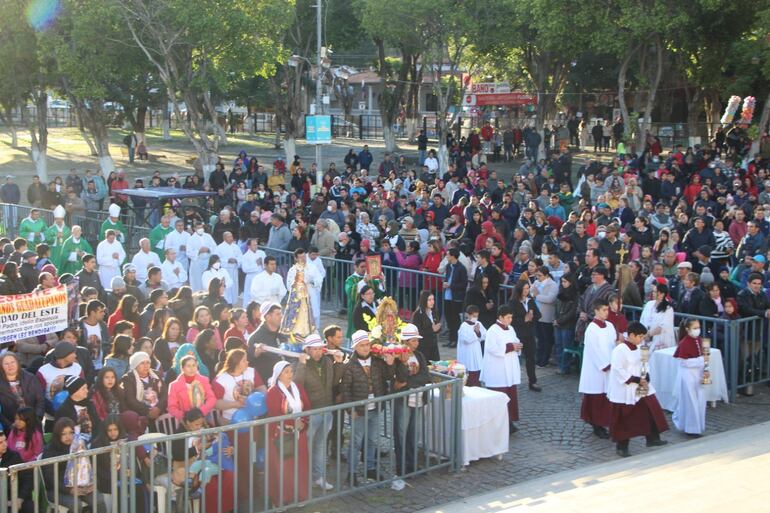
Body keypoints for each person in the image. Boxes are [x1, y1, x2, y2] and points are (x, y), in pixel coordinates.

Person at [340, 330, 396, 484]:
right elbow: (345, 389)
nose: (365, 348)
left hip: (376, 406)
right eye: (362, 345)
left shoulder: (377, 361)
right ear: (355, 347)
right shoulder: (350, 365)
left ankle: (370, 468)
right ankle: (351, 473)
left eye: (367, 345)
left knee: (372, 440)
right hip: (359, 409)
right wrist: (350, 409)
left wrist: (390, 364)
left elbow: (388, 377)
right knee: (356, 441)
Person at [607, 321, 669, 457]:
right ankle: (622, 446)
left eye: (643, 337)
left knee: (651, 409)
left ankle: (652, 438)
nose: (642, 339)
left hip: (641, 385)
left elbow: (645, 364)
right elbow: (618, 369)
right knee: (624, 418)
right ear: (631, 335)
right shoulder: (620, 350)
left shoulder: (641, 347)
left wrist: (646, 377)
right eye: (640, 336)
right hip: (625, 389)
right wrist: (635, 379)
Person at [294, 333, 344, 489]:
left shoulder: (328, 362)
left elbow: (334, 382)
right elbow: (297, 385)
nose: (317, 352)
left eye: (319, 349)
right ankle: (304, 479)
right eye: (314, 349)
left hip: (327, 410)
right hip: (311, 413)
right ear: (307, 350)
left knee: (321, 446)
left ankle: (319, 477)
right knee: (307, 447)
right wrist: (301, 365)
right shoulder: (300, 363)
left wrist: (339, 364)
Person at [265, 361, 311, 506]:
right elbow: (274, 415)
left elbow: (307, 406)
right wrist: (290, 425)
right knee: (282, 468)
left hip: (299, 435)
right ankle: (280, 500)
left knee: (300, 466)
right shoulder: (273, 392)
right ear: (278, 375)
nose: (290, 374)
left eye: (291, 371)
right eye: (286, 372)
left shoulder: (298, 387)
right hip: (282, 437)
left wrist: (303, 422)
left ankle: (300, 496)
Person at [392, 323, 431, 483]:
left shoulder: (419, 355)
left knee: (414, 434)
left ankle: (412, 464)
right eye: (414, 340)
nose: (417, 343)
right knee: (401, 434)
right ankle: (402, 467)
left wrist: (407, 383)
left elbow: (425, 376)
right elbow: (399, 378)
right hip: (404, 401)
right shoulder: (398, 358)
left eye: (417, 340)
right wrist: (403, 364)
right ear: (406, 342)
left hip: (418, 398)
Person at [481, 305, 523, 433]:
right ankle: (496, 424)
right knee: (499, 397)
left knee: (510, 395)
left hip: (509, 368)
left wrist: (518, 346)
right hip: (497, 370)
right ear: (500, 317)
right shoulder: (492, 330)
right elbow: (491, 348)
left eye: (511, 317)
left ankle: (509, 421)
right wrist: (510, 347)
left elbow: (515, 341)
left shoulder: (511, 328)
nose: (510, 320)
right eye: (508, 317)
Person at [578, 299, 615, 439]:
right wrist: (605, 365)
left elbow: (613, 345)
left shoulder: (610, 326)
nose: (607, 312)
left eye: (607, 310)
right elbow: (594, 350)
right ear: (596, 311)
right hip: (596, 369)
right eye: (604, 310)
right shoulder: (592, 329)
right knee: (596, 398)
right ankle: (596, 425)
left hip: (609, 366)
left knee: (606, 397)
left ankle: (606, 422)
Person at [673, 318, 707, 436]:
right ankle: (691, 428)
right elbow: (684, 362)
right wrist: (701, 360)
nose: (697, 330)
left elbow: (704, 356)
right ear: (687, 329)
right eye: (695, 328)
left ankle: (698, 426)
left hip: (698, 373)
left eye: (698, 327)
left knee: (700, 401)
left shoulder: (699, 340)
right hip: (688, 375)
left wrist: (705, 369)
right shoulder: (684, 343)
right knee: (690, 402)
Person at [212, 348, 266, 422]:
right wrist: (236, 404)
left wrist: (255, 400)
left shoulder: (252, 371)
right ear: (236, 363)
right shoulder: (220, 380)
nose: (247, 362)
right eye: (244, 360)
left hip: (253, 417)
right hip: (230, 419)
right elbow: (216, 403)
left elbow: (262, 389)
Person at [508, 280, 541, 391]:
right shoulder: (513, 302)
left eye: (528, 288)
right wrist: (524, 319)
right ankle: (512, 381)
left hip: (530, 333)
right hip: (518, 335)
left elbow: (539, 314)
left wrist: (531, 317)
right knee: (515, 359)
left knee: (531, 358)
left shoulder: (530, 301)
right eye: (525, 288)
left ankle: (533, 382)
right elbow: (511, 320)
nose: (527, 290)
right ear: (519, 289)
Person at [0, 353, 44, 432]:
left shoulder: (30, 378)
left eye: (12, 362)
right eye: (6, 364)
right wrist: (10, 426)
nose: (10, 366)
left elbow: (40, 400)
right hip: (11, 428)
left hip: (33, 425)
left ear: (17, 363)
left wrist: (36, 419)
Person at [167, 354, 216, 422]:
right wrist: (184, 416)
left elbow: (212, 398)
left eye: (194, 365)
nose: (192, 368)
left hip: (204, 417)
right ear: (182, 368)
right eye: (188, 366)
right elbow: (171, 407)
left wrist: (201, 411)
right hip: (186, 420)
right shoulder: (174, 385)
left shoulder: (204, 380)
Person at [121, 352, 165, 424]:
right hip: (141, 415)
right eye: (142, 363)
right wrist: (148, 411)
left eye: (148, 362)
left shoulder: (156, 374)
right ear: (135, 365)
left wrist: (158, 408)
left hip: (159, 412)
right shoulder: (128, 378)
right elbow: (131, 400)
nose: (146, 366)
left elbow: (164, 394)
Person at [54, 376, 97, 443]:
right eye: (83, 389)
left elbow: (97, 423)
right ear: (75, 391)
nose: (87, 391)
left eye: (86, 388)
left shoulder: (90, 404)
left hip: (94, 441)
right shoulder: (63, 410)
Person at [532, 266, 558, 367]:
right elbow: (530, 292)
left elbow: (550, 299)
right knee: (539, 338)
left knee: (546, 339)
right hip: (537, 314)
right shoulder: (536, 282)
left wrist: (537, 296)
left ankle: (544, 360)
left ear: (546, 275)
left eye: (540, 275)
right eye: (537, 275)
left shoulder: (553, 285)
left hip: (546, 316)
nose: (538, 277)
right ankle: (538, 359)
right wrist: (535, 295)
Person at [639, 282, 676, 352]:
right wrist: (643, 334)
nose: (653, 293)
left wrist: (649, 334)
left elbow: (663, 327)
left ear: (662, 294)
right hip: (645, 338)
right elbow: (642, 320)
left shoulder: (668, 309)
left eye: (655, 292)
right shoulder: (649, 304)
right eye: (653, 291)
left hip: (660, 339)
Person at [443, 247, 468, 348]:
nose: (446, 256)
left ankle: (456, 340)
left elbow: (463, 284)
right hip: (447, 296)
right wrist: (445, 283)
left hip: (456, 297)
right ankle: (451, 339)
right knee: (449, 318)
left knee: (455, 319)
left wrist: (451, 285)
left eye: (448, 255)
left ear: (453, 256)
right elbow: (447, 278)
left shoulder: (461, 268)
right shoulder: (449, 266)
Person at [554, 273, 579, 374]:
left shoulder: (575, 295)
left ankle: (565, 367)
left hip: (568, 324)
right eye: (562, 281)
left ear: (571, 282)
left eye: (565, 281)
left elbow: (573, 312)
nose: (563, 284)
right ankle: (559, 365)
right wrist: (556, 319)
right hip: (558, 323)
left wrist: (560, 320)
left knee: (566, 346)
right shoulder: (561, 292)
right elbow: (556, 306)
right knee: (558, 345)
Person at [457, 305, 486, 386]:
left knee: (477, 377)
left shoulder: (478, 323)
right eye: (473, 316)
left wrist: (478, 332)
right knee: (469, 379)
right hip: (467, 357)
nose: (475, 318)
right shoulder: (464, 326)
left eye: (477, 316)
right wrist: (476, 332)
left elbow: (485, 335)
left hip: (477, 354)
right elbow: (466, 340)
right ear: (467, 315)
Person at [186, 222, 217, 292]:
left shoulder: (208, 236)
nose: (200, 229)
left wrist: (208, 249)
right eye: (198, 228)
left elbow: (214, 247)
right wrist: (199, 251)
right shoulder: (191, 239)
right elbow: (188, 252)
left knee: (208, 279)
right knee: (197, 280)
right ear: (194, 229)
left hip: (207, 261)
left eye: (201, 227)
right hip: (197, 262)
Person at [411, 290, 442, 362]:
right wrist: (432, 330)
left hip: (434, 346)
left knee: (436, 365)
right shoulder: (418, 314)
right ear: (424, 300)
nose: (432, 302)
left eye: (433, 299)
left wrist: (438, 328)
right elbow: (417, 332)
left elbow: (437, 328)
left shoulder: (434, 312)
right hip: (423, 347)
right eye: (429, 300)